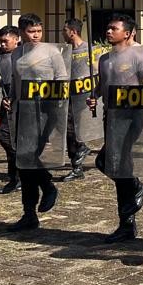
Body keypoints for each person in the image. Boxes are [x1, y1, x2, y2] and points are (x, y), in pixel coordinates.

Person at [90, 13, 143, 243]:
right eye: (108, 28)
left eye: (114, 28)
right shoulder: (104, 59)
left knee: (108, 162)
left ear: (128, 33)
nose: (109, 31)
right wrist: (95, 95)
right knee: (117, 167)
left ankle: (137, 188)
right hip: (111, 117)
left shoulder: (138, 57)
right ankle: (126, 223)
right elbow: (102, 85)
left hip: (130, 117)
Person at [7, 13, 68, 231]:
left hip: (45, 111)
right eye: (31, 31)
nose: (35, 35)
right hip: (23, 112)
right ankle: (29, 212)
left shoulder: (51, 52)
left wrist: (58, 112)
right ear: (22, 32)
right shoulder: (16, 54)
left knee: (30, 156)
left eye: (39, 31)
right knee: (24, 162)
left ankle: (48, 186)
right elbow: (15, 83)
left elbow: (62, 80)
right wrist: (11, 100)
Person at [61, 18, 93, 182]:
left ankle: (78, 159)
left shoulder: (89, 50)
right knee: (69, 132)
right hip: (68, 97)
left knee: (73, 130)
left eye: (65, 30)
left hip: (84, 98)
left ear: (73, 32)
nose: (63, 33)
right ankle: (77, 165)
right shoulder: (65, 52)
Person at [0, 24, 22, 195]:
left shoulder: (21, 56)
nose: (3, 45)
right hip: (5, 102)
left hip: (18, 102)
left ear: (16, 39)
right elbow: (2, 79)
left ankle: (23, 166)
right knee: (9, 137)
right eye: (1, 41)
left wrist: (14, 99)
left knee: (4, 134)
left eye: (6, 41)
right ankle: (15, 178)